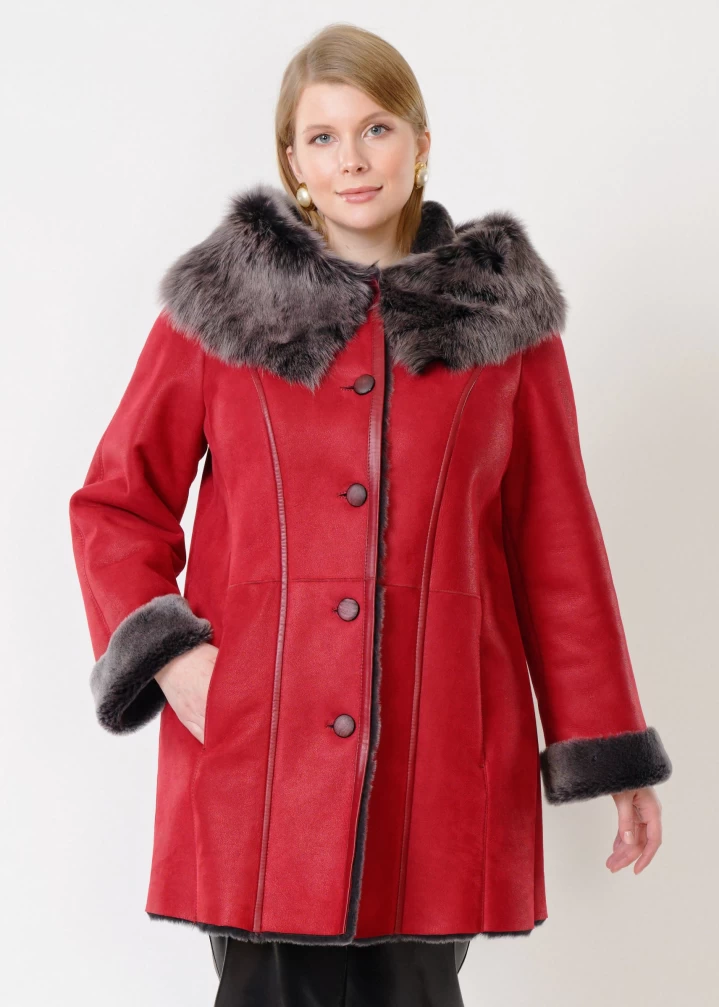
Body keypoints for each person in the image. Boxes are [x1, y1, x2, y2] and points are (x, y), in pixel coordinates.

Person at [68, 22, 673, 1007]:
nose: (351, 159)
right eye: (323, 137)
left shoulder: (502, 324)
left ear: (421, 144)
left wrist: (613, 751)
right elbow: (116, 502)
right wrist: (174, 660)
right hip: (259, 751)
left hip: (438, 752)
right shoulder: (224, 310)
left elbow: (556, 546)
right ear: (294, 163)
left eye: (376, 128)